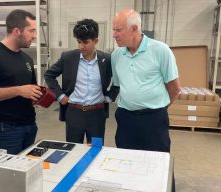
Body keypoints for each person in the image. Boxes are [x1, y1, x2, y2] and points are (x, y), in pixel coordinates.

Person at [112, 9, 180, 191]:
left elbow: (174, 88)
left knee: (159, 162)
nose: (114, 35)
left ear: (134, 29)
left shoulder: (160, 50)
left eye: (118, 30)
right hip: (126, 119)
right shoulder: (116, 55)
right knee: (127, 162)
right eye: (113, 30)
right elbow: (120, 86)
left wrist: (159, 109)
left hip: (154, 119)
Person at [0, 9, 43, 155]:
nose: (35, 36)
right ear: (16, 31)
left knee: (26, 169)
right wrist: (18, 90)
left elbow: (30, 89)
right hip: (6, 128)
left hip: (30, 124)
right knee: (10, 173)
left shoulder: (27, 59)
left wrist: (38, 97)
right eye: (31, 31)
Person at [44, 19, 119, 144]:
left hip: (97, 114)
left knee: (95, 150)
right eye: (78, 42)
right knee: (73, 150)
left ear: (96, 41)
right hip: (74, 113)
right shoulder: (68, 58)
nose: (81, 46)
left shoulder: (106, 59)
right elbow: (49, 74)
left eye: (85, 42)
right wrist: (61, 95)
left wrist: (110, 97)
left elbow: (118, 79)